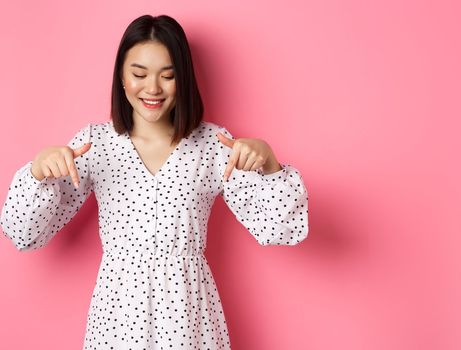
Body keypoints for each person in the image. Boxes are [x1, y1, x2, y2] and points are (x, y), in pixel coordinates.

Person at [0, 14, 309, 349]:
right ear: (121, 75)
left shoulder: (214, 145)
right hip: (117, 317)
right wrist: (38, 174)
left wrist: (270, 163)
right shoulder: (96, 145)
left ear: (184, 79)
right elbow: (23, 235)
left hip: (188, 315)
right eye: (139, 74)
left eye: (168, 75)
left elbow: (281, 230)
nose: (152, 88)